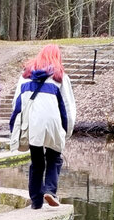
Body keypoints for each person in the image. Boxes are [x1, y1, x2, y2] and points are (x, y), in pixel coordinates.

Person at [8, 43, 76, 209]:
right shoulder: (60, 77)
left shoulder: (24, 76)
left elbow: (16, 104)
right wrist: (67, 130)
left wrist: (15, 126)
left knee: (37, 162)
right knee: (54, 158)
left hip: (32, 123)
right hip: (52, 122)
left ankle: (36, 202)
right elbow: (67, 107)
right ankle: (50, 192)